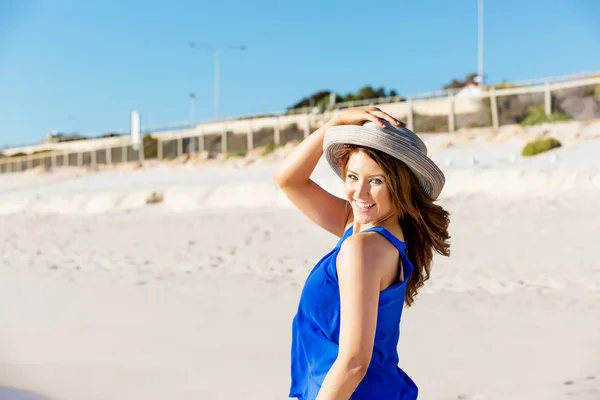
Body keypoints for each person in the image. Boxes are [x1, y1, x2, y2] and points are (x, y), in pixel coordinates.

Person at [273, 107, 451, 400]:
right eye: (353, 176)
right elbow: (288, 180)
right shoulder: (360, 226)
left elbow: (354, 362)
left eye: (376, 181)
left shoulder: (364, 248)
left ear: (401, 184)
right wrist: (333, 124)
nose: (359, 193)